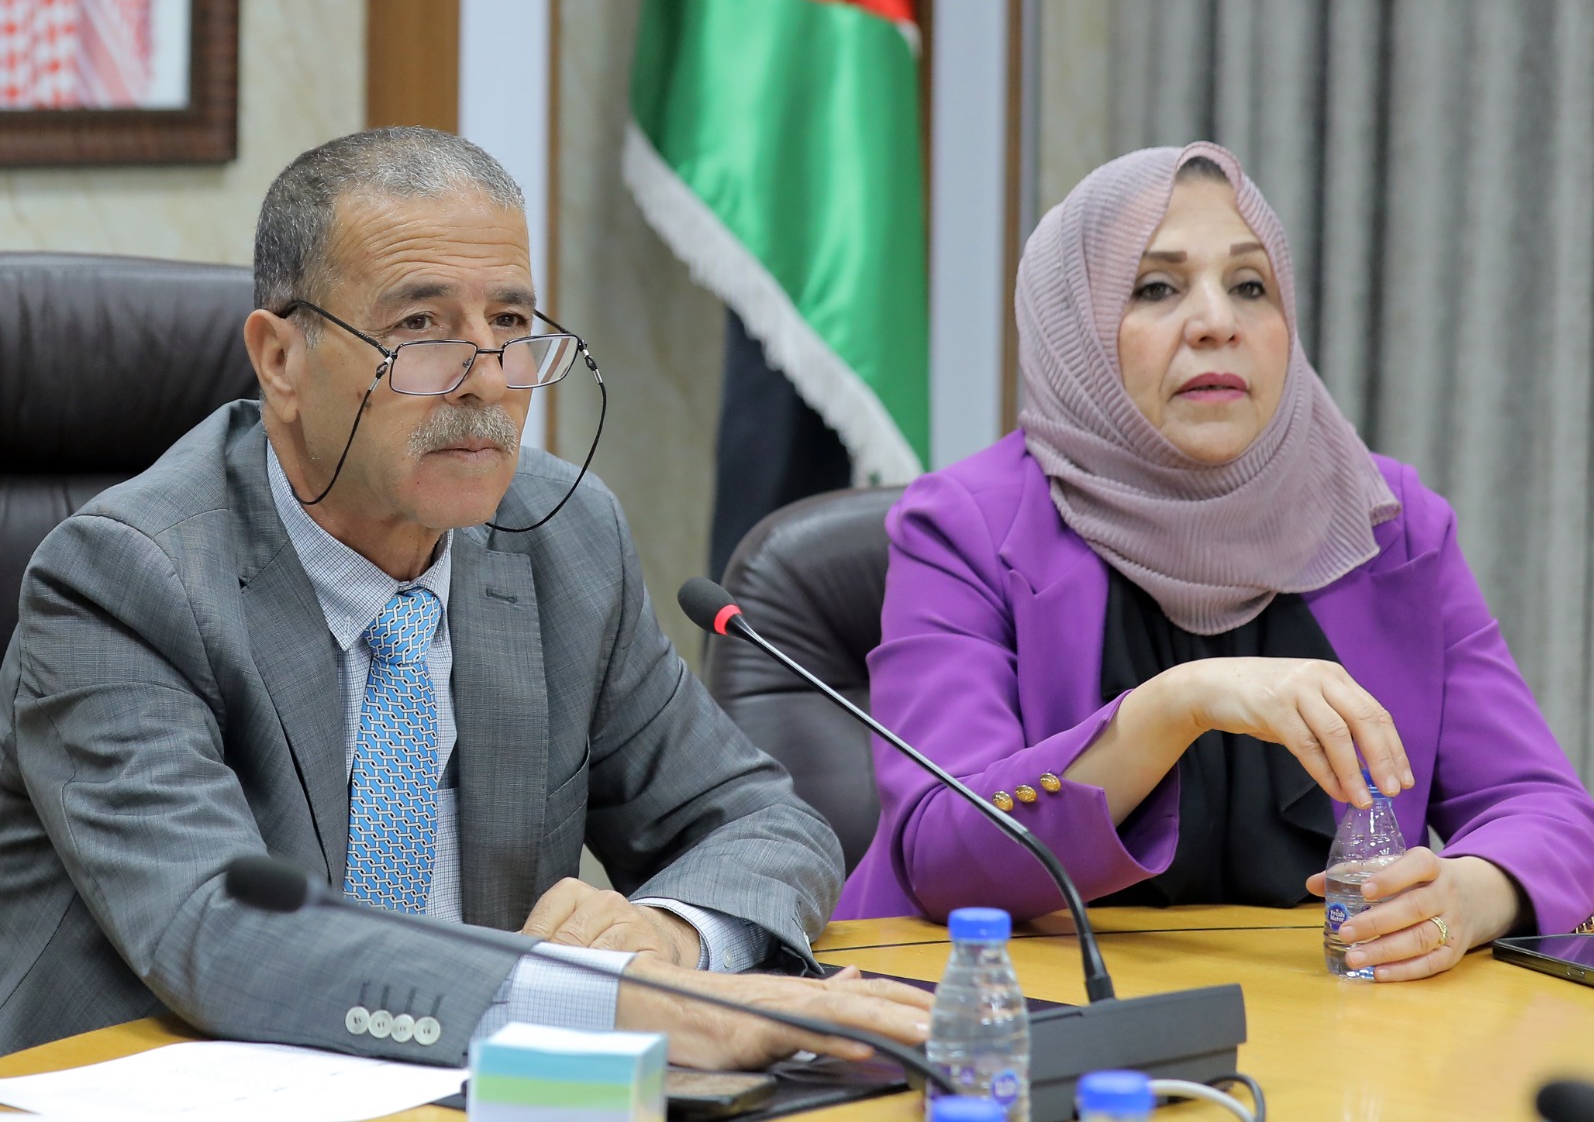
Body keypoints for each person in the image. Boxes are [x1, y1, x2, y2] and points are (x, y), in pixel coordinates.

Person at [0, 127, 931, 1062]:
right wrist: (646, 1010)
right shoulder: (121, 579)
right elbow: (221, 933)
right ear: (280, 360)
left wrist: (673, 937)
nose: (487, 379)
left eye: (511, 323)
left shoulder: (564, 537)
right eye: (420, 327)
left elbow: (763, 822)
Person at [839, 141, 1594, 982]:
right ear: (1071, 326)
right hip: (1015, 1016)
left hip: (1332, 1024)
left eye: (1249, 285)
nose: (1216, 322)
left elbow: (1548, 812)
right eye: (1156, 288)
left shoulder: (1392, 522)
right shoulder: (964, 526)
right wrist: (1177, 706)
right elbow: (943, 855)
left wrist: (1472, 892)